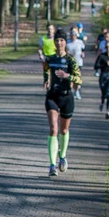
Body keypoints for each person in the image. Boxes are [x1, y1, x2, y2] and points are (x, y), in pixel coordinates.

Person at [43, 31, 81, 176]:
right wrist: (46, 80)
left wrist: (67, 76)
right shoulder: (50, 59)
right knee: (53, 129)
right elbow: (46, 69)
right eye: (57, 40)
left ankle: (62, 156)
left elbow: (79, 79)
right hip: (52, 96)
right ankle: (52, 165)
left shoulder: (70, 60)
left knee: (64, 130)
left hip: (66, 97)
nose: (59, 43)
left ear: (65, 42)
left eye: (61, 40)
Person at [66, 27, 86, 100]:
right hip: (69, 63)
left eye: (74, 34)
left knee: (77, 78)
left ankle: (77, 91)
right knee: (70, 78)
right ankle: (70, 91)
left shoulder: (80, 42)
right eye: (71, 34)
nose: (73, 35)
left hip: (78, 62)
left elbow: (83, 49)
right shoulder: (67, 42)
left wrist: (83, 54)